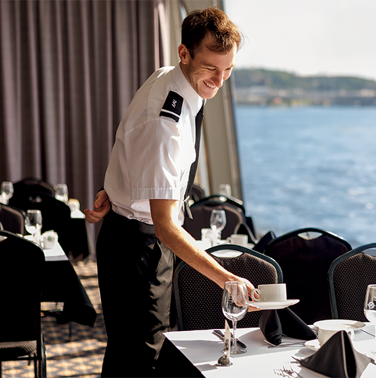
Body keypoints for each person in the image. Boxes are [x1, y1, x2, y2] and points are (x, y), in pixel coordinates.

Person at [84, 8, 255, 377]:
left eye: (228, 70)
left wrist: (113, 187)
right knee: (142, 358)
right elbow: (164, 225)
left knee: (130, 354)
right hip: (138, 248)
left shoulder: (175, 79)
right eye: (211, 67)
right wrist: (228, 279)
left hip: (133, 234)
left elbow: (129, 142)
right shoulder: (167, 124)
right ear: (184, 52)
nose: (219, 79)